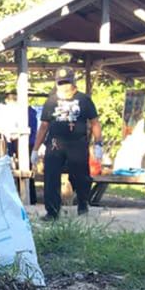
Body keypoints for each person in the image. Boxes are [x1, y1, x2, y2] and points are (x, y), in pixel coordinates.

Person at [31, 67, 101, 219]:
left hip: (77, 143)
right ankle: (52, 211)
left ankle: (83, 203)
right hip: (55, 143)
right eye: (60, 83)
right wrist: (35, 149)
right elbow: (44, 126)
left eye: (66, 83)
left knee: (80, 176)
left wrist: (98, 144)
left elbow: (95, 122)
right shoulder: (51, 101)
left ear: (73, 83)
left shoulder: (84, 100)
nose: (63, 86)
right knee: (51, 177)